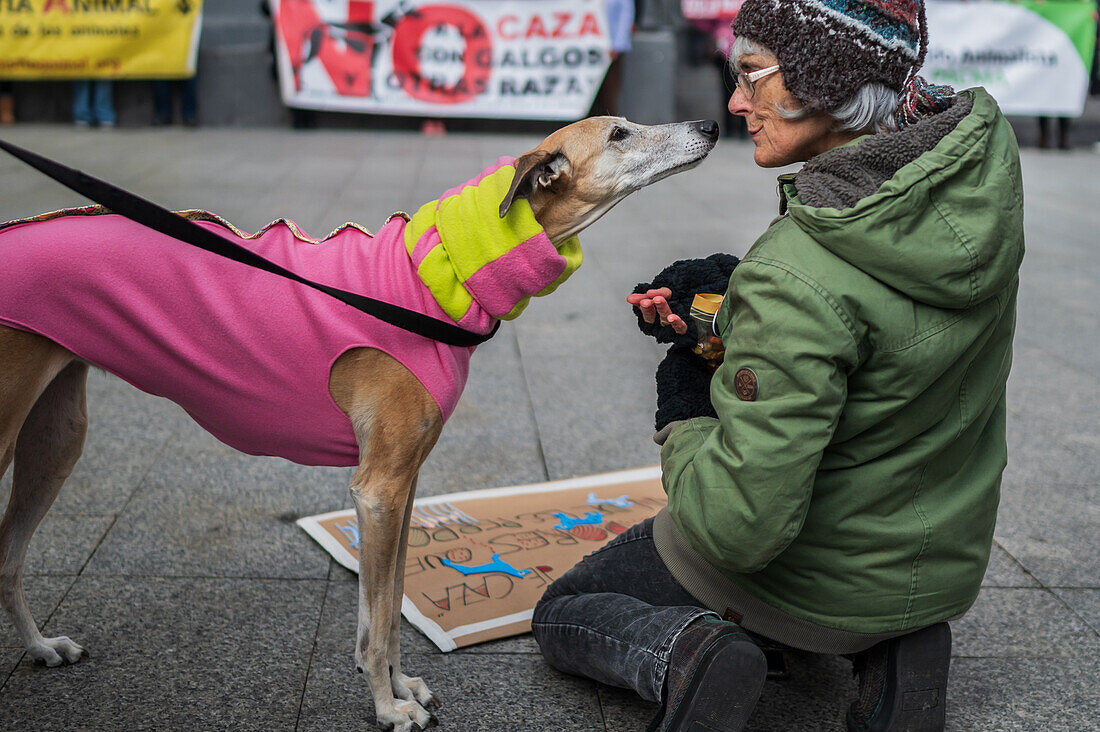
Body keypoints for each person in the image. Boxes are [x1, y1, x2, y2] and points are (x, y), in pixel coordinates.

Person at [531, 0, 1024, 730]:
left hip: (812, 580)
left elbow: (738, 528)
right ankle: (900, 644)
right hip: (933, 564)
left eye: (753, 75)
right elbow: (883, 343)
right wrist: (742, 315)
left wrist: (687, 398)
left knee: (566, 608)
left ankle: (695, 653)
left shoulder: (797, 273)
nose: (735, 102)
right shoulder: (973, 180)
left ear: (827, 81)